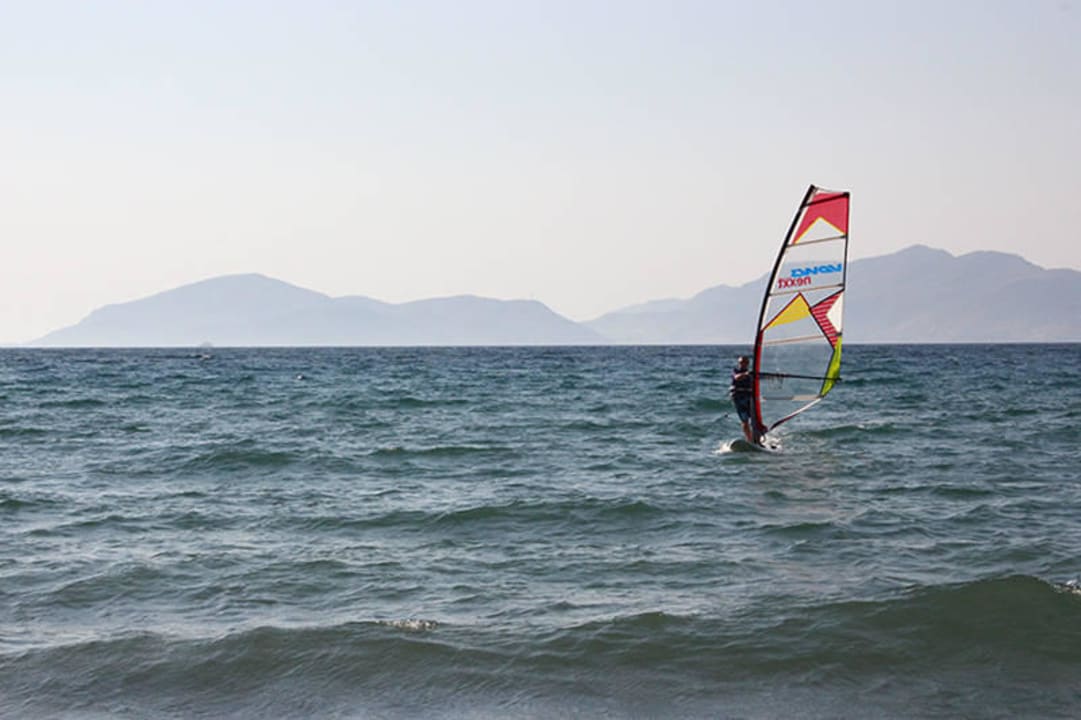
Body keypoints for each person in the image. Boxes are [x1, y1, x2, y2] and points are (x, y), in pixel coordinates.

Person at [729, 355, 759, 444]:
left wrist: (775, 376)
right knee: (744, 421)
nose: (743, 364)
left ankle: (757, 439)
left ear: (748, 363)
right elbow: (737, 377)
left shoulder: (751, 373)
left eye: (745, 362)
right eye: (741, 362)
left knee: (755, 420)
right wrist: (746, 374)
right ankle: (749, 440)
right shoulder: (735, 371)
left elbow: (760, 378)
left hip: (750, 398)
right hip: (739, 398)